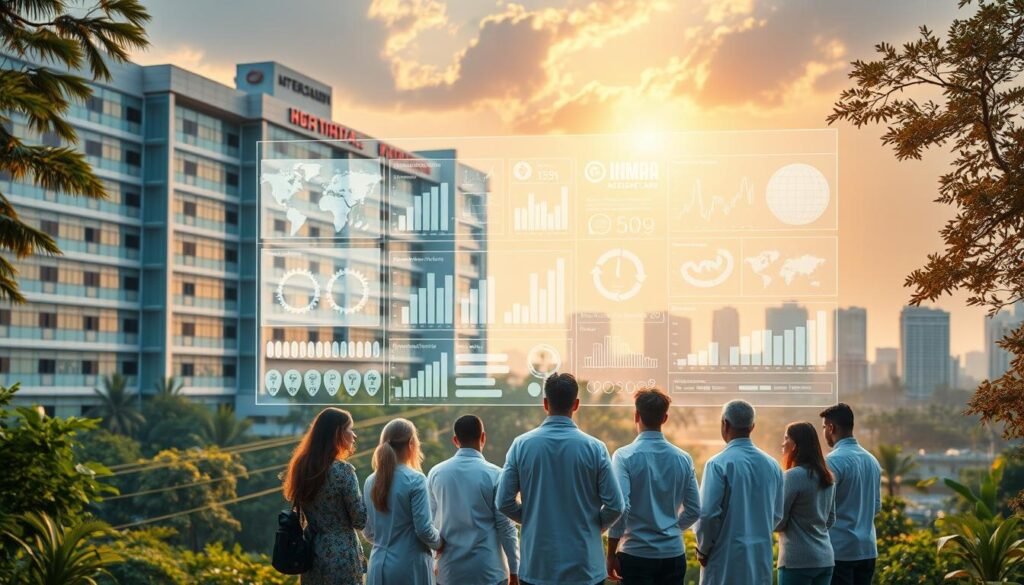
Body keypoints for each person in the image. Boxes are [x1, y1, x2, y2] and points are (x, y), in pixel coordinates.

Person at [497, 372, 624, 585]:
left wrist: (533, 518)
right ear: (576, 404)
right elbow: (616, 505)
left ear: (545, 403)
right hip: (585, 568)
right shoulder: (595, 448)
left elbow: (503, 502)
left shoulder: (521, 445)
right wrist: (594, 527)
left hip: (538, 567)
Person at [606, 388, 701, 585]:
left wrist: (611, 554)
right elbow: (694, 510)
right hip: (673, 555)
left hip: (636, 554)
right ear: (664, 418)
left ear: (636, 415)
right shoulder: (683, 458)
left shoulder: (624, 456)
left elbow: (622, 507)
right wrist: (671, 529)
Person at [695, 399, 784, 585]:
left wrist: (703, 549)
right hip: (759, 558)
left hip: (725, 560)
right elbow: (777, 515)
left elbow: (708, 515)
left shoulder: (718, 464)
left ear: (725, 424)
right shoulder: (772, 465)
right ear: (752, 426)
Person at [427, 415, 520, 585]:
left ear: (455, 440)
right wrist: (514, 571)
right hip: (489, 572)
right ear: (483, 437)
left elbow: (430, 524)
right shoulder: (496, 475)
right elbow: (506, 528)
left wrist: (434, 559)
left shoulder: (436, 473)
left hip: (449, 572)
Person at [282, 407, 367, 585]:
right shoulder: (343, 471)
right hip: (342, 555)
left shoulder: (302, 468)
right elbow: (359, 520)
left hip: (312, 553)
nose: (354, 435)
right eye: (350, 429)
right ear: (338, 433)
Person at [363, 418, 443, 585]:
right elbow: (424, 530)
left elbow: (369, 531)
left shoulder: (370, 481)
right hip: (409, 566)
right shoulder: (415, 479)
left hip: (377, 565)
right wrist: (440, 543)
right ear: (412, 443)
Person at [819, 403, 882, 585]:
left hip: (840, 551)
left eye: (824, 427)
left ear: (831, 428)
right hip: (868, 550)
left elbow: (822, 508)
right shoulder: (872, 460)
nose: (824, 432)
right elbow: (876, 507)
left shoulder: (832, 461)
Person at [776, 422, 837, 585]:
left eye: (786, 438)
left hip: (797, 562)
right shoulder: (827, 477)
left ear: (795, 445)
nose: (783, 443)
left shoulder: (792, 476)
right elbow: (831, 519)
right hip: (825, 559)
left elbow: (779, 521)